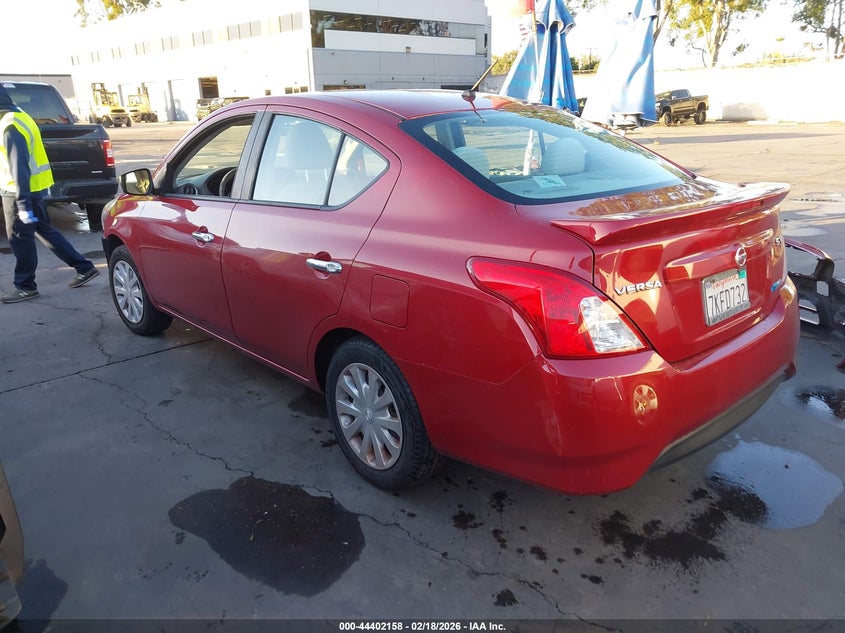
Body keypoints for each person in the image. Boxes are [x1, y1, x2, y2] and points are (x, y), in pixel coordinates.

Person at [0, 86, 99, 304]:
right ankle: (84, 267)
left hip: (18, 193)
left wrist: (22, 204)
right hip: (33, 190)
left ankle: (25, 286)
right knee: (44, 230)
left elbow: (19, 168)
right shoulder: (20, 116)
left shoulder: (9, 126)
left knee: (20, 239)